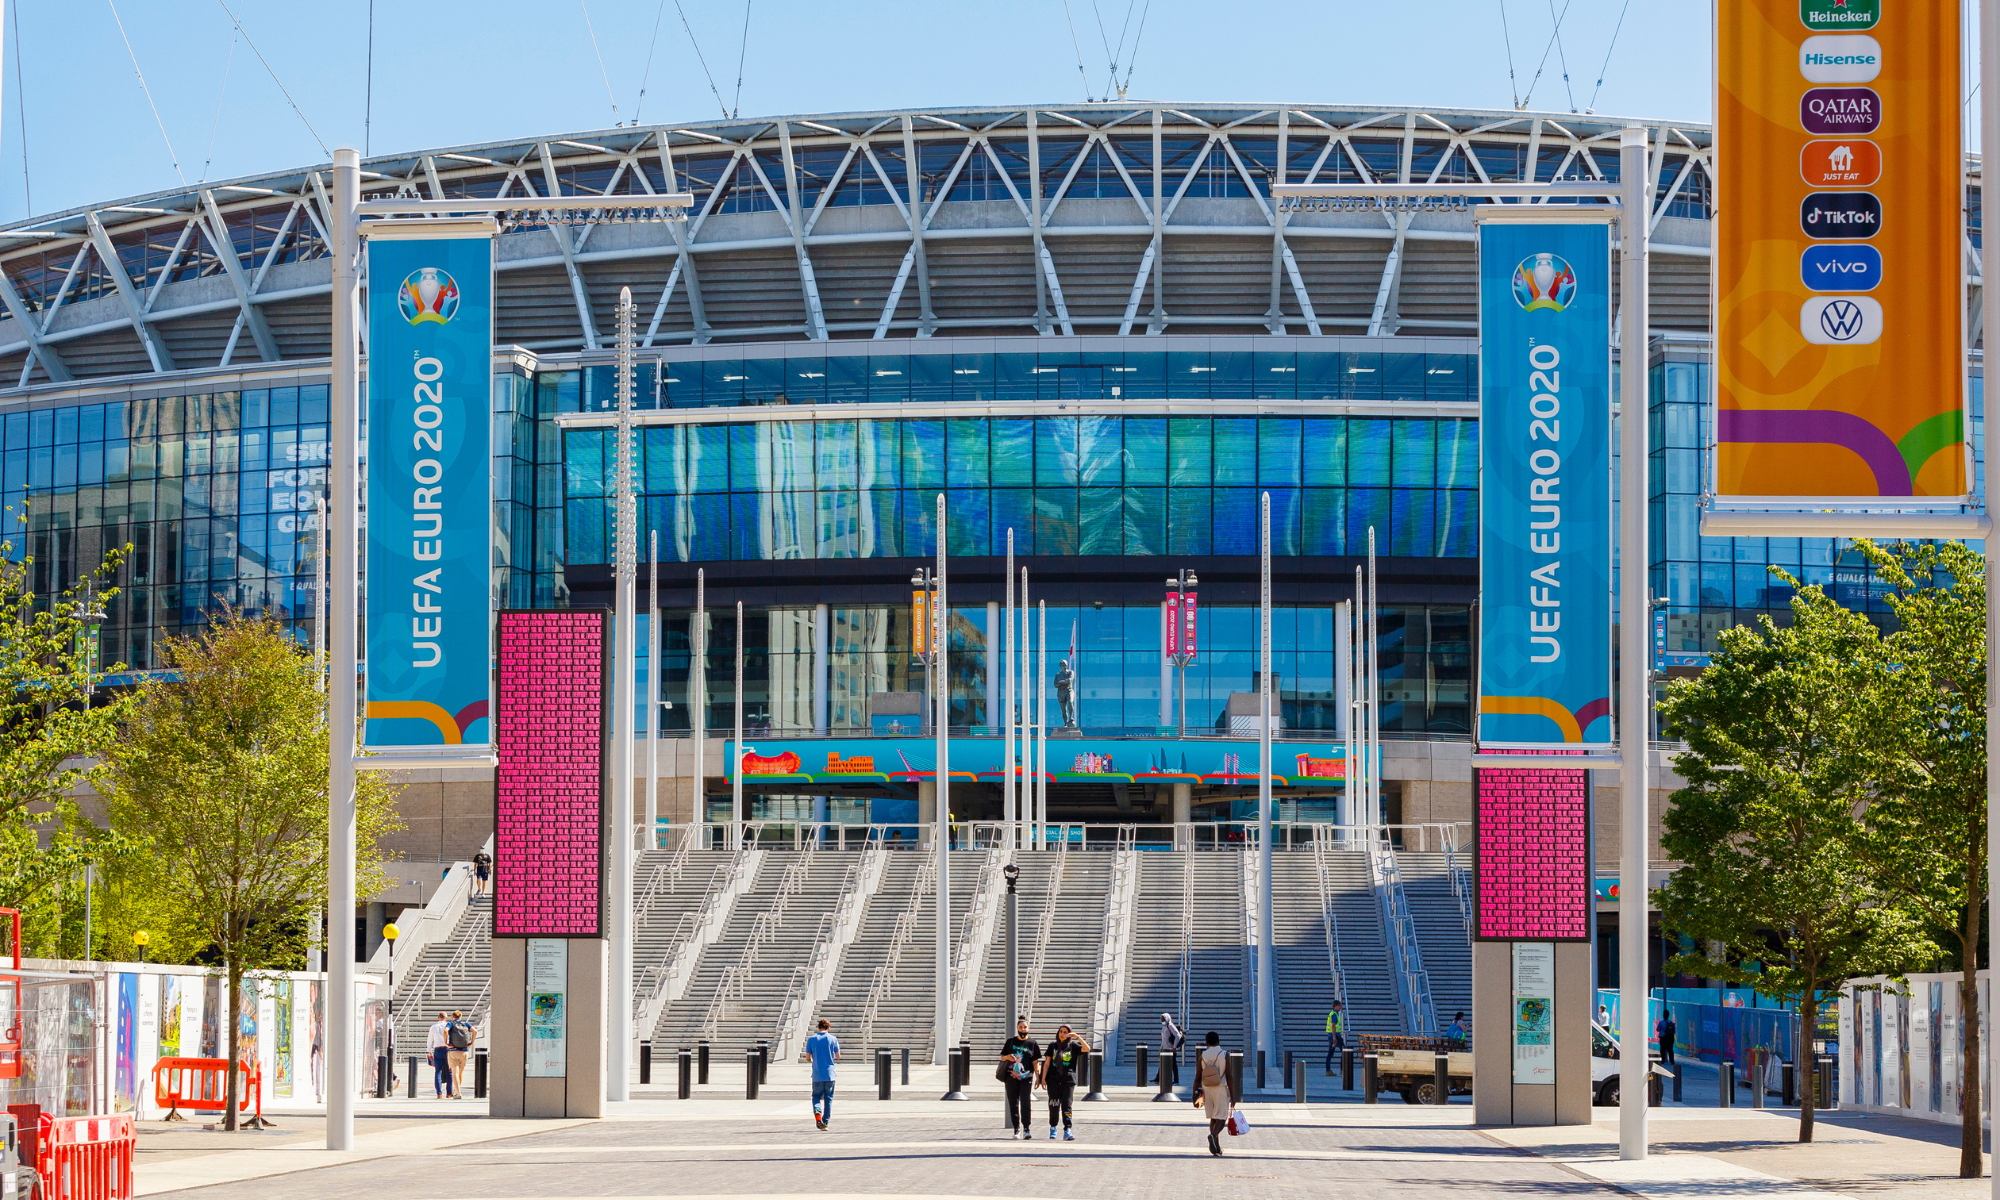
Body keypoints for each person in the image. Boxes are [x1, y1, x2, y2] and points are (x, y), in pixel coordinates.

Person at [1191, 1030, 1238, 1157]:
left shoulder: (1203, 1055)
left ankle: (1216, 1146)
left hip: (1207, 1089)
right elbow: (1229, 1076)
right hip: (1221, 1088)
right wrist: (1233, 1096)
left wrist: (1194, 1093)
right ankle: (1212, 1136)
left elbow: (1197, 1077)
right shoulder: (1224, 1055)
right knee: (1222, 1118)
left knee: (1213, 1116)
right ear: (1218, 1041)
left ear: (1206, 1042)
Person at [1040, 1024, 1089, 1141]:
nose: (1062, 1034)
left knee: (1067, 1105)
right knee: (1054, 1104)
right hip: (1053, 1080)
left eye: (1065, 1032)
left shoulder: (1073, 1046)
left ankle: (1067, 1129)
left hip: (1068, 1080)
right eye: (1061, 1031)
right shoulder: (1052, 1046)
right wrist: (1042, 1078)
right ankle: (1053, 1127)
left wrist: (1078, 1037)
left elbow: (1087, 1049)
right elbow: (1047, 1063)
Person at [998, 1016, 1040, 1139]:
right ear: (1017, 1028)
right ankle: (1016, 1128)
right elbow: (1002, 1057)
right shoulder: (1011, 1041)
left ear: (1028, 1028)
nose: (1023, 1029)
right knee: (1013, 1103)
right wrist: (1008, 1057)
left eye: (1025, 1027)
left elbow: (1035, 1061)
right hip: (1011, 1077)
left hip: (1026, 1077)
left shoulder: (1032, 1043)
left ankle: (1026, 1128)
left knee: (1026, 1102)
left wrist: (1038, 1077)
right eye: (1020, 1027)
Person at [805, 1018, 841, 1131]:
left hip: (817, 1073)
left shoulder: (812, 1039)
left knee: (816, 1096)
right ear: (828, 1028)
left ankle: (817, 1112)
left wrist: (813, 1061)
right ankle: (825, 1123)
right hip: (830, 1073)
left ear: (818, 1027)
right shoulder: (833, 1039)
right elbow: (838, 1056)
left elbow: (807, 1058)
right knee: (828, 1098)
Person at [445, 1010, 474, 1098]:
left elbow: (445, 1031)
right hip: (464, 1051)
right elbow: (475, 1031)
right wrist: (471, 1042)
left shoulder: (451, 1024)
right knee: (460, 1073)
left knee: (455, 1073)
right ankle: (456, 1091)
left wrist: (446, 1043)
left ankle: (458, 1093)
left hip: (453, 1050)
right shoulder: (466, 1024)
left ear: (452, 1017)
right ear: (460, 1017)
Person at [425, 1011, 453, 1099]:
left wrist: (429, 1051)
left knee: (438, 1072)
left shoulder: (433, 1027)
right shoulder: (448, 1026)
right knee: (449, 1072)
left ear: (438, 1018)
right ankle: (449, 1093)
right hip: (447, 1049)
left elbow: (430, 1040)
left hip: (437, 1049)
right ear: (446, 1018)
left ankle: (439, 1093)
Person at [1159, 1012, 1185, 1085]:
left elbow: (1178, 1036)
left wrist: (1174, 1047)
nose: (1162, 1021)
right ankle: (1159, 1078)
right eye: (1161, 1019)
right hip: (1165, 1049)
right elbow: (1163, 1040)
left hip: (1170, 1049)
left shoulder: (1170, 1025)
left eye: (1163, 1019)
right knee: (1163, 1064)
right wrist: (1160, 1050)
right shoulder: (1164, 1027)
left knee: (1173, 1064)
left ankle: (1176, 1080)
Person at [1324, 1001, 1345, 1075]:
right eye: (1339, 1005)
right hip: (1335, 1036)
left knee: (1330, 1053)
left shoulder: (1334, 1014)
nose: (1340, 1007)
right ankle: (1342, 1070)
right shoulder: (1334, 1015)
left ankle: (1328, 1070)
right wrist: (1334, 1037)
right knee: (1345, 1052)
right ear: (1335, 1006)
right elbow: (1333, 1026)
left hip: (1332, 1036)